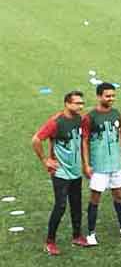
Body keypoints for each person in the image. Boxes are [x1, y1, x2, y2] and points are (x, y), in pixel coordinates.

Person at [32, 90, 88, 255]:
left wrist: (85, 165)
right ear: (67, 103)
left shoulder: (80, 119)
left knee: (76, 204)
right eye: (77, 103)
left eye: (82, 103)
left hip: (75, 171)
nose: (81, 106)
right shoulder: (56, 122)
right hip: (61, 172)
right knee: (61, 205)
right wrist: (45, 160)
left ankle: (77, 236)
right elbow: (36, 140)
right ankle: (50, 241)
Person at [81, 82, 121, 245]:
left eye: (113, 95)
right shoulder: (90, 117)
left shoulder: (116, 114)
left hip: (115, 164)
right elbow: (84, 141)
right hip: (99, 165)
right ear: (99, 96)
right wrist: (86, 164)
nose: (111, 99)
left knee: (119, 196)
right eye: (108, 96)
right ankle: (91, 233)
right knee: (95, 198)